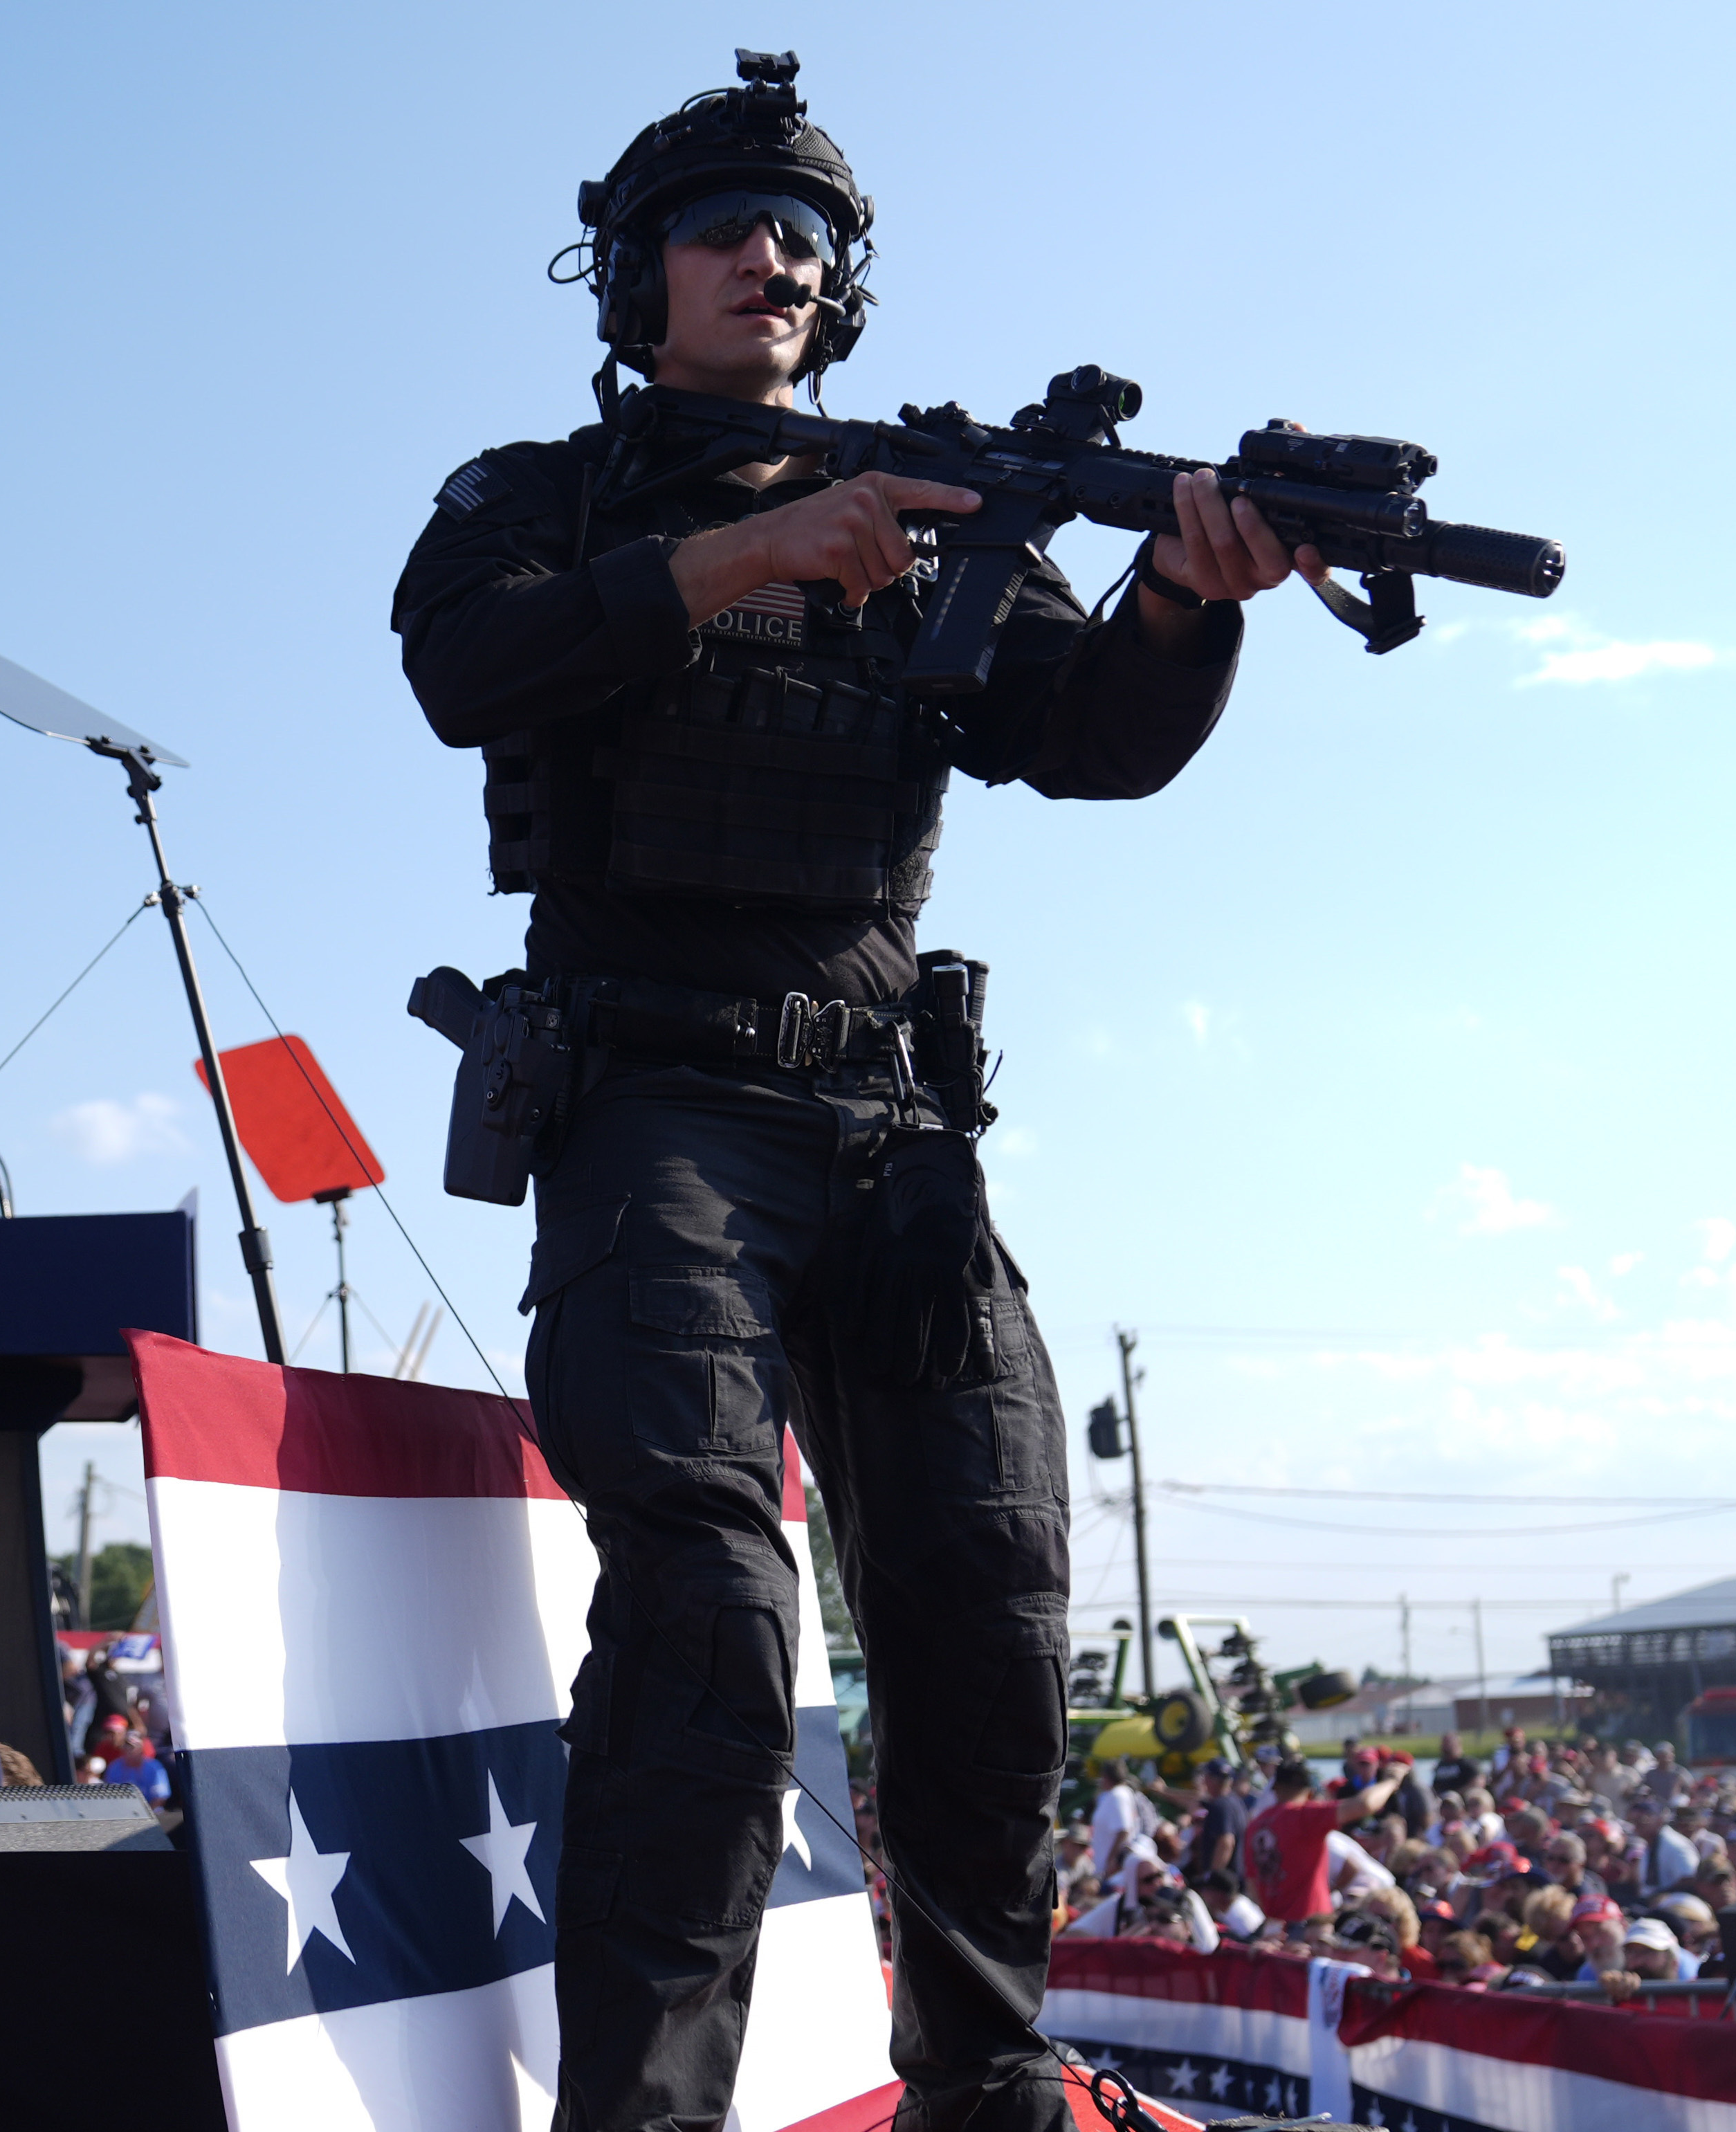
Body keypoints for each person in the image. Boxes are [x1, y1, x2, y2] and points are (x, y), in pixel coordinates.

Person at [391, 54, 1324, 2132]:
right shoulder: (532, 496)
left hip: (895, 1129)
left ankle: (982, 2081)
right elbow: (471, 667)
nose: (769, 256)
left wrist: (1184, 600)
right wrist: (759, 550)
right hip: (655, 1106)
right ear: (631, 272)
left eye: (803, 235)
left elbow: (1086, 741)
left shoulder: (931, 518)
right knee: (713, 1616)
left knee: (990, 1600)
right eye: (723, 225)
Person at [1245, 1760, 1405, 1926]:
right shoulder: (1305, 1816)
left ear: (1275, 1788)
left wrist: (1271, 1922)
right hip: (1311, 1924)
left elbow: (1252, 1883)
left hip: (1275, 1923)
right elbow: (1364, 1805)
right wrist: (1391, 1781)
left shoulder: (1256, 1824)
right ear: (1310, 1793)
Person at [1184, 1763, 1248, 1881]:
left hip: (1226, 1881)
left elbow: (1226, 1843)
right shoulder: (1235, 1801)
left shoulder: (1220, 1805)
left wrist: (1213, 1877)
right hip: (1237, 1875)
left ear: (1210, 1780)